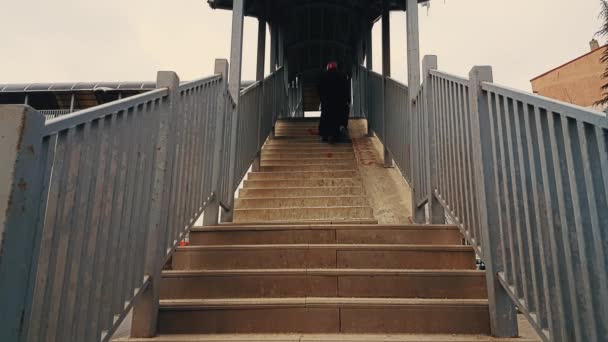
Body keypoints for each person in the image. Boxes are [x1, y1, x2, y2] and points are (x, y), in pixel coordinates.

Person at [318, 61, 351, 143]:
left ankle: (324, 136)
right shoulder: (342, 75)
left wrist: (322, 99)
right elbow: (346, 89)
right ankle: (337, 135)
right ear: (336, 67)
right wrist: (347, 100)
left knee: (325, 118)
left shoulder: (323, 76)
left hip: (327, 102)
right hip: (339, 102)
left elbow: (319, 89)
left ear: (328, 67)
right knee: (338, 118)